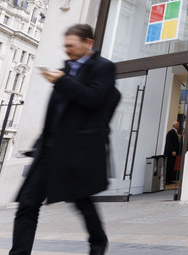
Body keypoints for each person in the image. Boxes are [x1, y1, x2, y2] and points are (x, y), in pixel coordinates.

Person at [10, 24, 121, 255]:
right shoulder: (65, 70)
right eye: (65, 46)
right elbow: (55, 112)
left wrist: (61, 81)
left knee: (81, 201)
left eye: (71, 45)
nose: (67, 50)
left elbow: (93, 98)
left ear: (87, 43)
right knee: (27, 204)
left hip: (77, 150)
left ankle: (98, 241)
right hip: (49, 150)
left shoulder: (103, 68)